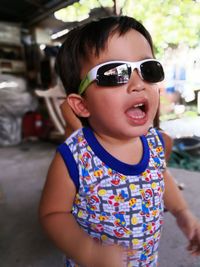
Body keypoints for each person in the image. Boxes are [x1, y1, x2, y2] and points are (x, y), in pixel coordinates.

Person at [39, 16, 200, 267]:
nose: (138, 84)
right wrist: (87, 251)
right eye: (114, 73)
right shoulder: (75, 157)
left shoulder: (155, 142)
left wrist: (183, 214)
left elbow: (160, 177)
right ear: (82, 105)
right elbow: (52, 213)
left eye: (148, 69)